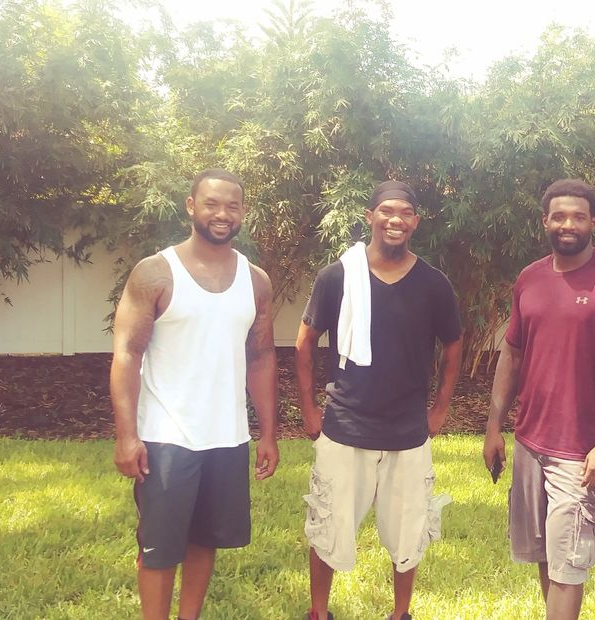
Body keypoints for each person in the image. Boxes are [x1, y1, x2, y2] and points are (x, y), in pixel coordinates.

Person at [110, 169, 280, 620]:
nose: (222, 214)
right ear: (191, 206)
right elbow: (126, 353)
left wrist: (267, 433)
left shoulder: (255, 279)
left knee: (207, 539)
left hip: (227, 435)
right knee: (160, 547)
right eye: (212, 204)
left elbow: (261, 357)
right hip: (167, 435)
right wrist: (127, 436)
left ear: (242, 212)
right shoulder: (155, 273)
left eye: (232, 206)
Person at [484, 178, 595, 619]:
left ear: (594, 221)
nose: (568, 224)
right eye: (559, 216)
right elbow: (512, 353)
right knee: (545, 556)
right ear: (545, 221)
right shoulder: (530, 278)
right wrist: (493, 426)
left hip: (581, 451)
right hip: (530, 444)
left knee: (568, 566)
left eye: (578, 216)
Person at [295, 180, 463, 620]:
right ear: (369, 217)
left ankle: (400, 613)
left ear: (415, 222)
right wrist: (311, 410)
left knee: (409, 532)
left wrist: (440, 407)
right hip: (345, 426)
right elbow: (305, 342)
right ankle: (319, 611)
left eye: (405, 212)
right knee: (327, 524)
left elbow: (453, 345)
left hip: (408, 431)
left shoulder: (433, 283)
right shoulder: (338, 276)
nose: (395, 219)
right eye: (386, 210)